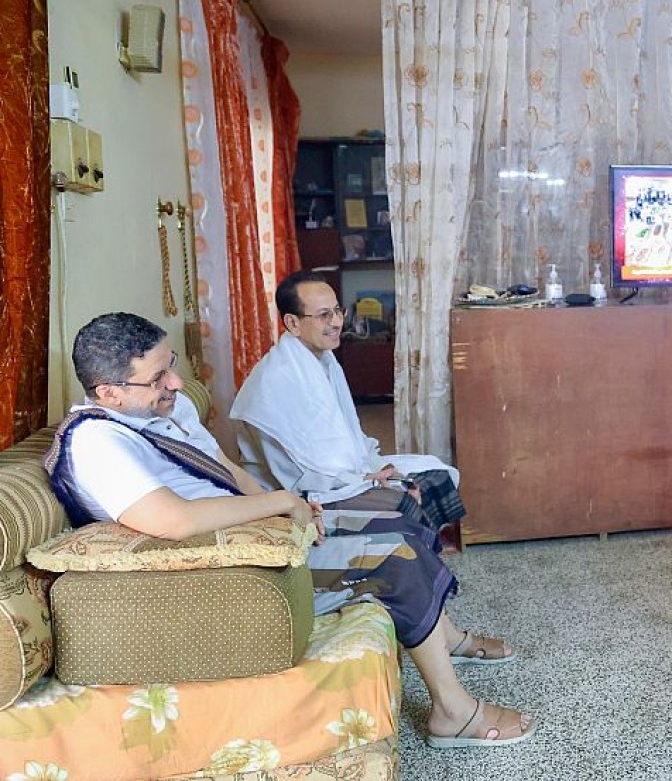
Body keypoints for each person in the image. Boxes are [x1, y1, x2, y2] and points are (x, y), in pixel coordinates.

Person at [45, 313, 536, 748]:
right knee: (395, 559)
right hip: (231, 569)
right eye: (157, 377)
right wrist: (280, 503)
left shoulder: (159, 412)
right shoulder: (97, 442)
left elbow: (223, 469)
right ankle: (453, 713)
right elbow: (172, 520)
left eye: (171, 364)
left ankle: (443, 638)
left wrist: (288, 510)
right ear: (109, 393)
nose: (175, 381)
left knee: (401, 522)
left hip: (261, 530)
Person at [230, 270, 465, 537]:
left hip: (342, 476)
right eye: (323, 316)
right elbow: (298, 472)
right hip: (305, 493)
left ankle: (425, 558)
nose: (337, 322)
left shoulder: (323, 360)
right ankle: (413, 566)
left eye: (337, 311)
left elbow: (348, 437)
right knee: (402, 501)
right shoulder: (275, 380)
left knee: (435, 473)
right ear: (292, 323)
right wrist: (364, 480)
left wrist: (378, 468)